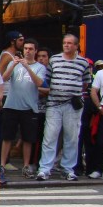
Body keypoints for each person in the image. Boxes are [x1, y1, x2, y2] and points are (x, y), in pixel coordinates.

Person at [35, 33, 91, 181]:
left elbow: (85, 83)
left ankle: (68, 169)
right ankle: (44, 169)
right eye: (65, 42)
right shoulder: (54, 60)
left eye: (70, 43)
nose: (66, 45)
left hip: (72, 105)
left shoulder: (83, 63)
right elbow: (47, 80)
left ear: (76, 46)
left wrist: (72, 91)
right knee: (50, 137)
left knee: (71, 138)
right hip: (54, 104)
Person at [0, 37, 44, 179]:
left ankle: (25, 165)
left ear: (35, 51)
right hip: (11, 105)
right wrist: (13, 64)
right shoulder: (14, 63)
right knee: (7, 137)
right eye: (25, 48)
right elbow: (4, 78)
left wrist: (28, 67)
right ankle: (2, 164)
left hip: (29, 108)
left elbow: (39, 83)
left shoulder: (40, 67)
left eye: (31, 49)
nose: (28, 51)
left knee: (27, 138)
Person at [89, 59, 103, 179]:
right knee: (100, 141)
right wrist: (99, 107)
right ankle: (98, 169)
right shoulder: (102, 73)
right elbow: (93, 91)